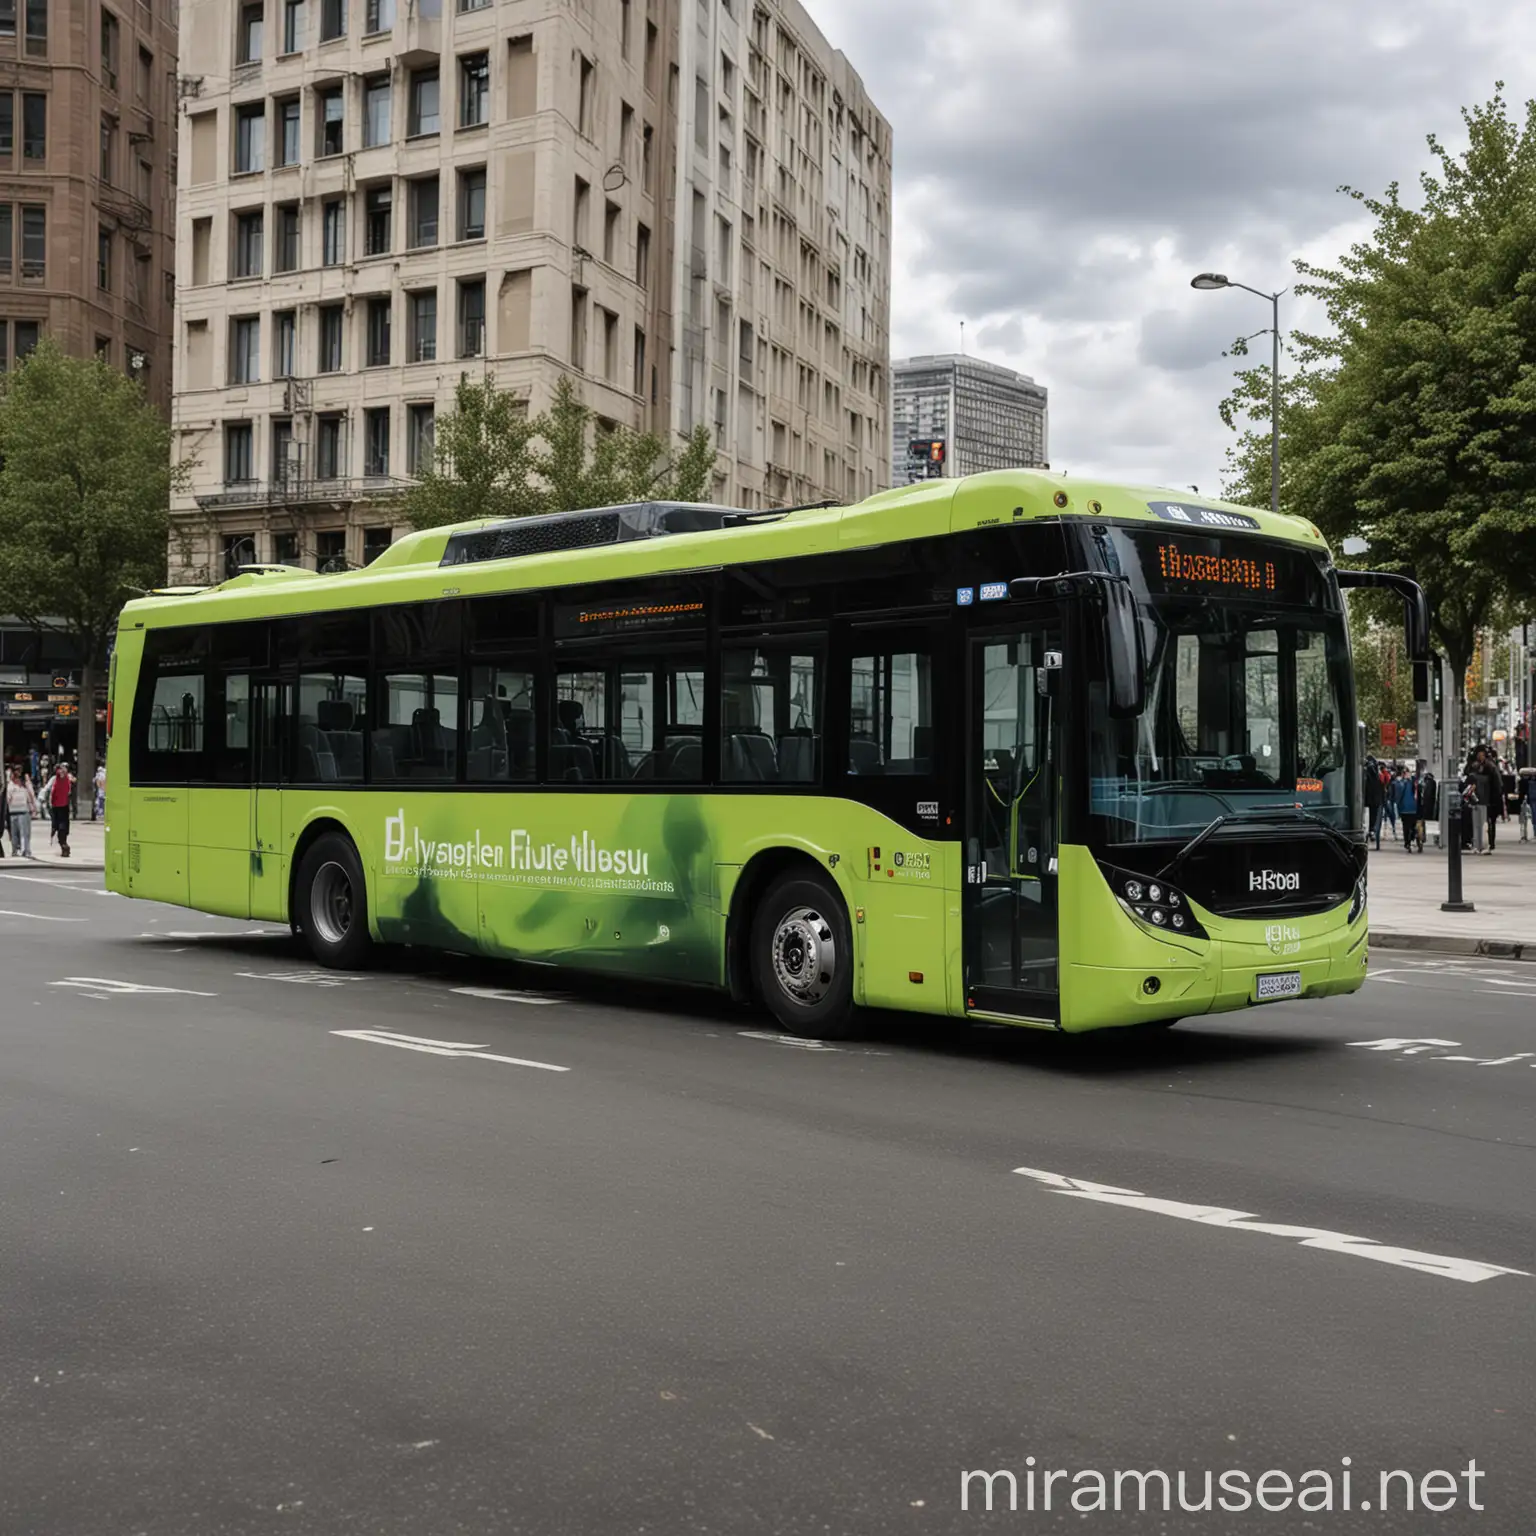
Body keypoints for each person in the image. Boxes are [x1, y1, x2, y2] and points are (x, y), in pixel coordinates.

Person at [5, 766, 37, 857]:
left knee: (25, 833)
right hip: (12, 811)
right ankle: (15, 850)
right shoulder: (10, 785)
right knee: (14, 833)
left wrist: (34, 807)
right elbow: (8, 798)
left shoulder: (25, 785)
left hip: (24, 811)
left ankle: (26, 850)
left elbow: (31, 795)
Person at [47, 759, 72, 857]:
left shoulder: (66, 778)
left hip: (62, 806)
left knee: (61, 827)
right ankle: (64, 845)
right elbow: (48, 789)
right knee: (59, 827)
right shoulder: (56, 779)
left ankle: (64, 845)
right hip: (57, 807)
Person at [1394, 764, 1421, 853]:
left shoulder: (1401, 783)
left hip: (1405, 808)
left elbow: (1398, 796)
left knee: (1406, 826)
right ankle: (1413, 836)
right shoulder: (1415, 782)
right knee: (1413, 825)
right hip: (1414, 808)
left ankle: (1407, 842)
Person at [1362, 755, 1385, 850]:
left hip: (1367, 800)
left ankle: (1371, 831)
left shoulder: (1364, 774)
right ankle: (1372, 831)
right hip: (1375, 801)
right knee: (1374, 817)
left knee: (1368, 817)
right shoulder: (1378, 775)